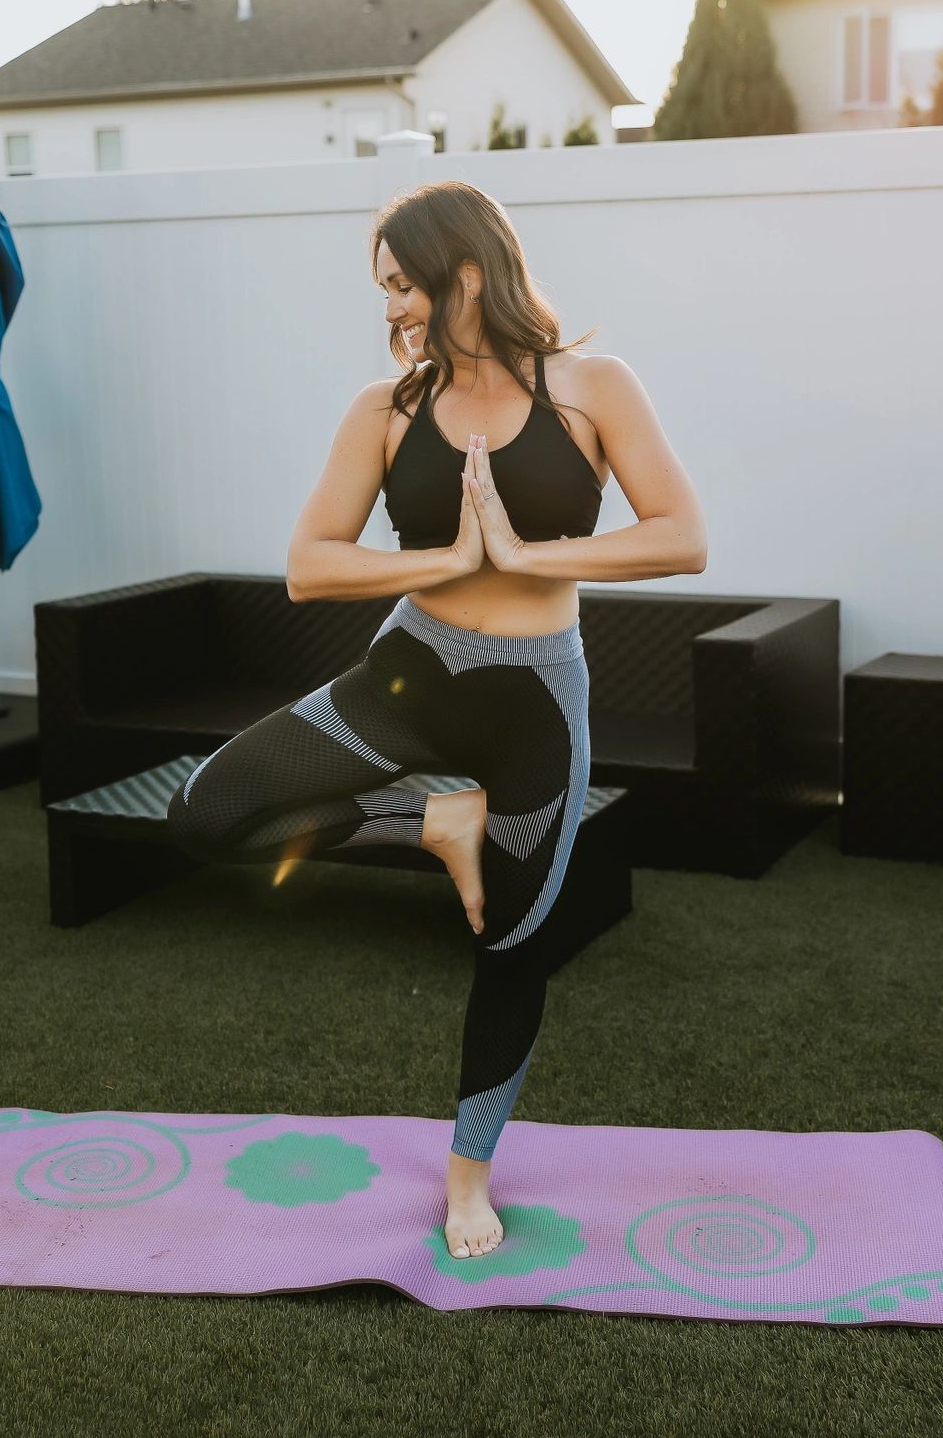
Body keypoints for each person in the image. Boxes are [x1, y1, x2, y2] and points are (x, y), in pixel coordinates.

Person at [164, 179, 707, 1258]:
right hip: (406, 678)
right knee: (202, 814)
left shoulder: (593, 386)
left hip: (535, 704)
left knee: (511, 945)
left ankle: (468, 1179)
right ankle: (433, 821)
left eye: (402, 285)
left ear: (465, 270)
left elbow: (682, 535)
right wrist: (448, 560)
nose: (391, 311)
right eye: (382, 293)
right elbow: (308, 565)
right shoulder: (386, 409)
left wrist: (525, 555)